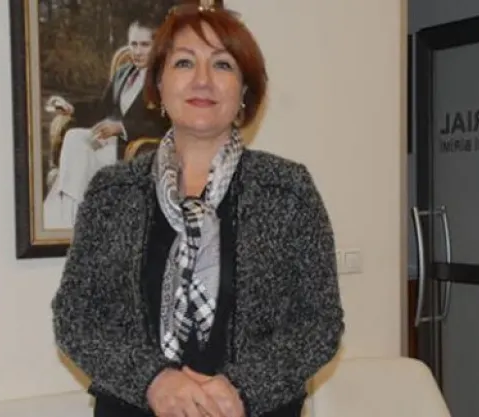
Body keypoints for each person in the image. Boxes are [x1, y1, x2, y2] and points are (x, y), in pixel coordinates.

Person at [51, 3, 345, 417]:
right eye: (184, 62)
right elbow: (74, 317)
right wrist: (153, 381)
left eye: (222, 64)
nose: (202, 80)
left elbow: (320, 323)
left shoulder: (287, 189)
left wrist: (242, 388)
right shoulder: (111, 192)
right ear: (159, 84)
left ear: (244, 90)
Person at [43, 19, 170, 229]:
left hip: (132, 149)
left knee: (78, 154)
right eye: (133, 44)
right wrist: (71, 108)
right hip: (108, 143)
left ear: (157, 46)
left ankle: (72, 220)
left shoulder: (164, 78)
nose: (137, 51)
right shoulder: (123, 73)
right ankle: (72, 216)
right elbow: (101, 108)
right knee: (74, 137)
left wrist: (121, 128)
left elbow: (164, 124)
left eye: (144, 45)